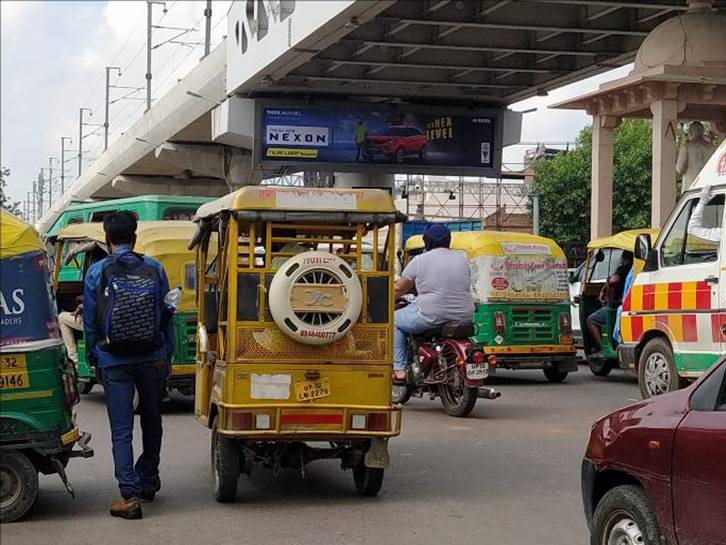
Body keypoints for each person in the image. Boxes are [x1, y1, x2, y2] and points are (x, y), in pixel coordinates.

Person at [83, 211, 174, 520]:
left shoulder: (97, 271)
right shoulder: (155, 267)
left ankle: (130, 496)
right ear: (134, 239)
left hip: (113, 360)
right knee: (153, 421)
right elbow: (167, 315)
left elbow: (92, 323)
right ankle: (148, 479)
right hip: (152, 357)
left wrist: (93, 356)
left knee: (121, 430)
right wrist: (168, 355)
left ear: (107, 241)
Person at [393, 224, 474, 380]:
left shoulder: (420, 260)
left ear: (427, 241)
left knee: (395, 320)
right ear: (448, 240)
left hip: (432, 315)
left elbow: (400, 289)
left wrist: (387, 300)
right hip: (464, 315)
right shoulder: (462, 260)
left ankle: (399, 369)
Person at [587, 251, 633, 358]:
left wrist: (604, 288)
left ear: (624, 259)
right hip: (623, 305)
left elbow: (614, 280)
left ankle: (603, 348)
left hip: (616, 307)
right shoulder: (635, 270)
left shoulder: (624, 269)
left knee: (591, 320)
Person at [58, 297, 83, 367]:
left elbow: (91, 301)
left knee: (61, 317)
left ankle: (76, 360)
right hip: (109, 323)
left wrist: (80, 306)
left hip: (93, 323)